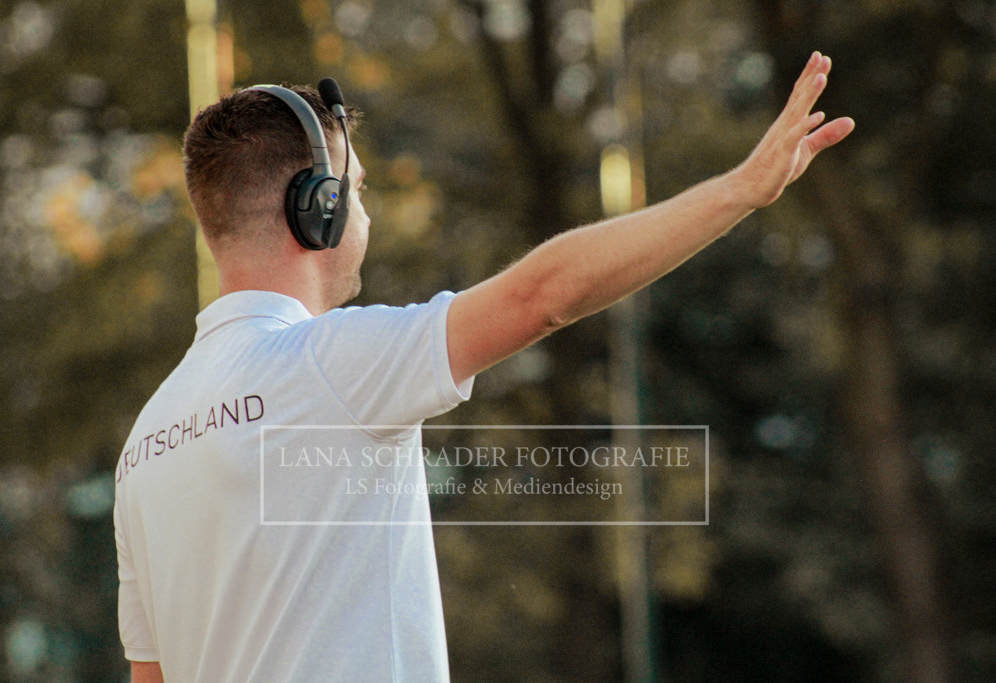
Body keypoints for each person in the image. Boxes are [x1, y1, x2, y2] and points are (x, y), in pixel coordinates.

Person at [114, 52, 853, 682]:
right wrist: (741, 189)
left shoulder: (141, 448)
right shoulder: (328, 365)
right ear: (319, 209)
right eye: (357, 192)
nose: (362, 215)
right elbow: (544, 295)